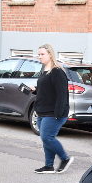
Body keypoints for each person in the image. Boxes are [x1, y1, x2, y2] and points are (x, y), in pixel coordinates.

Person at [32, 44, 73, 174]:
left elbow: (62, 94)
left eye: (42, 54)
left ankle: (65, 158)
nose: (40, 57)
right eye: (38, 54)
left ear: (50, 54)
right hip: (42, 111)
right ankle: (48, 166)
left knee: (47, 137)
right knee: (46, 139)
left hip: (54, 113)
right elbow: (46, 91)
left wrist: (59, 113)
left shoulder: (57, 72)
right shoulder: (44, 70)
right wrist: (35, 90)